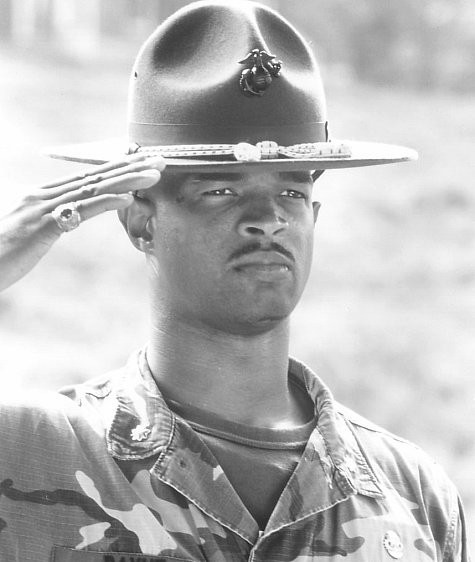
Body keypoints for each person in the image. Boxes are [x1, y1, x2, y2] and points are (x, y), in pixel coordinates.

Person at [0, 1, 469, 561]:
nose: (268, 219)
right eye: (220, 190)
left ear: (313, 219)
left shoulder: (413, 497)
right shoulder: (29, 452)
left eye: (291, 192)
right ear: (141, 221)